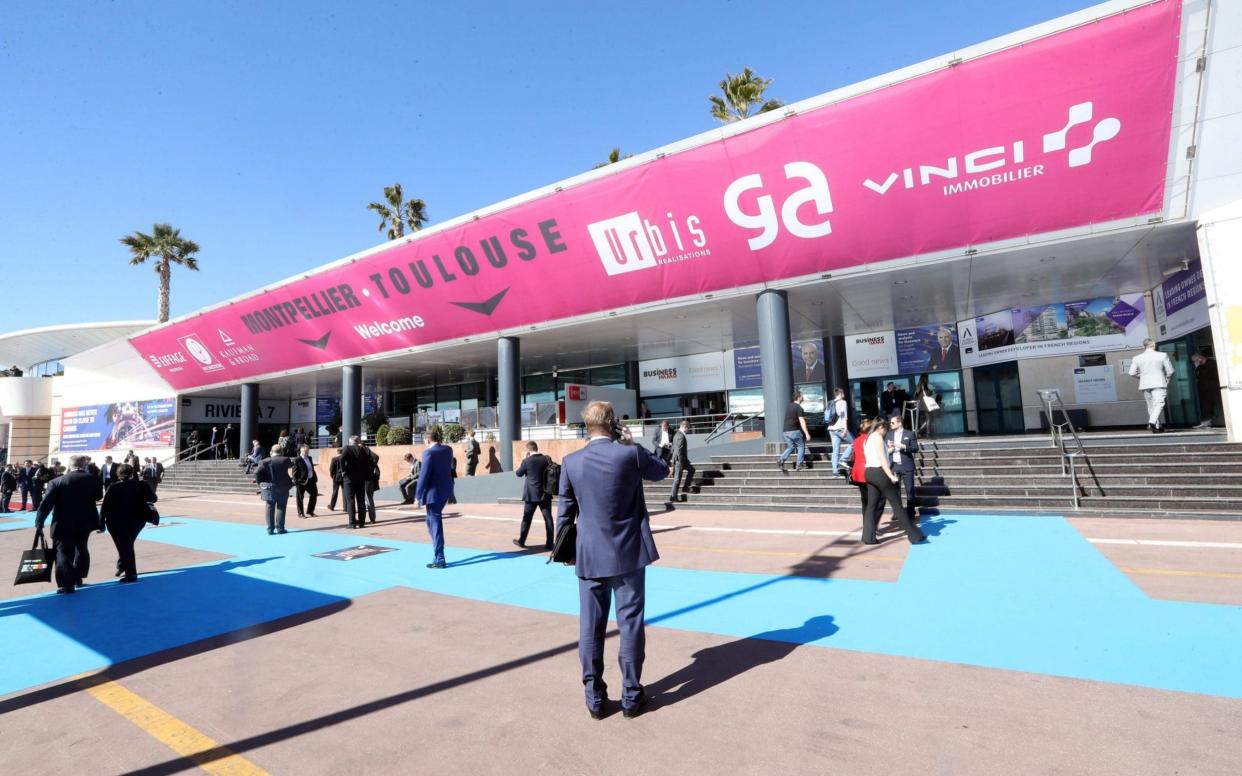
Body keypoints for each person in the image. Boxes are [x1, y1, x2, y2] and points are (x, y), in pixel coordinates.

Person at [556, 400, 669, 720]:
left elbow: (564, 516)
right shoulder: (629, 454)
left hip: (589, 555)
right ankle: (632, 696)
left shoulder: (571, 462)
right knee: (630, 623)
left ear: (587, 426)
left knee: (590, 626)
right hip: (629, 554)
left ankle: (594, 696)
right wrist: (633, 442)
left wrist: (567, 552)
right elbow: (662, 471)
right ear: (614, 423)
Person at [34, 455, 103, 594]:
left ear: (69, 465)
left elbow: (46, 504)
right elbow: (98, 497)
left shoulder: (57, 481)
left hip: (63, 522)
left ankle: (67, 584)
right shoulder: (94, 479)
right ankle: (78, 577)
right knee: (81, 548)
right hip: (86, 521)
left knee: (63, 553)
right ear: (85, 465)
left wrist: (39, 522)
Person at [863, 422, 925, 546]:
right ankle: (915, 536)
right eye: (885, 429)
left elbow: (877, 454)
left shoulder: (868, 438)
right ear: (881, 428)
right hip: (880, 472)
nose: (886, 432)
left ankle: (868, 537)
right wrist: (891, 475)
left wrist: (889, 449)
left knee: (871, 507)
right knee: (897, 506)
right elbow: (882, 458)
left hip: (869, 472)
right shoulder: (878, 437)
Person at [99, 463, 155, 583]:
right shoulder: (141, 484)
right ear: (132, 473)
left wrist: (101, 523)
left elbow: (105, 506)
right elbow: (153, 498)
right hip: (137, 521)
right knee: (126, 544)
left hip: (116, 522)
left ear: (118, 474)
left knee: (125, 546)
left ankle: (131, 574)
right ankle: (122, 566)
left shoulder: (113, 487)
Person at [414, 426, 455, 568]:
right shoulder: (448, 450)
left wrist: (417, 496)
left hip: (433, 493)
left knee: (435, 522)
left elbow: (423, 475)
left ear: (427, 439)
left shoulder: (428, 453)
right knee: (430, 521)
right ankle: (437, 551)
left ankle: (440, 557)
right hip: (445, 490)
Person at [1129, 339, 1175, 433]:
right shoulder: (1162, 355)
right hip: (1159, 383)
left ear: (1145, 346)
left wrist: (1141, 377)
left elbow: (1131, 373)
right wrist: (1168, 379)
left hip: (1145, 385)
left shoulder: (1137, 358)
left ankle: (1157, 427)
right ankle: (1152, 421)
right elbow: (1170, 371)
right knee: (1159, 403)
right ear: (1153, 345)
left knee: (1151, 406)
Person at [513, 441, 553, 549]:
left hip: (531, 495)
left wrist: (524, 460)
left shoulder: (527, 461)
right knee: (548, 518)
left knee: (527, 518)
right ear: (537, 448)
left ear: (528, 450)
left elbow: (518, 473)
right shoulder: (546, 459)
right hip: (545, 494)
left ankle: (522, 541)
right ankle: (550, 544)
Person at [885, 413, 919, 517]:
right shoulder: (889, 434)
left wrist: (903, 446)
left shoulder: (909, 434)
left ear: (899, 423)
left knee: (909, 490)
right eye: (890, 422)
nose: (891, 424)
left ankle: (910, 512)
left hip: (907, 466)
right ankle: (897, 513)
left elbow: (915, 449)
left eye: (893, 422)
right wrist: (889, 450)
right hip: (894, 466)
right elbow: (885, 449)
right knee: (896, 491)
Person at [255, 444, 293, 535]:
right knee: (281, 507)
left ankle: (270, 529)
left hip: (269, 488)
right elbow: (291, 465)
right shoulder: (285, 460)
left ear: (271, 452)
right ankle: (280, 528)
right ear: (281, 452)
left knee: (269, 508)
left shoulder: (264, 461)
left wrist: (260, 482)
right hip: (283, 487)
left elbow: (256, 473)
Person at [340, 436, 373, 529]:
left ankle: (352, 523)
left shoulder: (347, 448)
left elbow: (341, 459)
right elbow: (371, 460)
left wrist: (343, 470)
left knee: (350, 501)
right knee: (361, 501)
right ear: (358, 442)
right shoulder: (363, 449)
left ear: (350, 442)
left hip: (349, 479)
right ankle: (362, 522)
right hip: (361, 479)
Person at [850, 418, 878, 518]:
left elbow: (853, 456)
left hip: (858, 472)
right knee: (873, 501)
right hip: (869, 470)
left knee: (864, 500)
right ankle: (871, 524)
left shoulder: (856, 440)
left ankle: (866, 523)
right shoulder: (872, 439)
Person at [777, 391, 810, 472]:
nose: (803, 398)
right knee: (801, 445)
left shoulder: (789, 406)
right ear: (799, 397)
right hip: (794, 431)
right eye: (802, 396)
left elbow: (792, 417)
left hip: (785, 431)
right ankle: (799, 464)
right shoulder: (799, 408)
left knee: (791, 447)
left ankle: (781, 460)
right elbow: (802, 421)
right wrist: (807, 433)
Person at [827, 388, 853, 477]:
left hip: (831, 429)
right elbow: (843, 416)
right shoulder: (843, 402)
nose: (844, 394)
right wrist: (845, 428)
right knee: (855, 443)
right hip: (840, 428)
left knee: (835, 450)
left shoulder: (830, 402)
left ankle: (835, 471)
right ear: (841, 393)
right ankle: (844, 459)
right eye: (843, 393)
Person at [667, 419, 695, 503]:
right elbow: (678, 450)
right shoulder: (681, 436)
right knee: (677, 479)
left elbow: (673, 448)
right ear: (684, 427)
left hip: (681, 459)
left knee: (692, 469)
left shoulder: (676, 434)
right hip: (680, 460)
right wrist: (680, 462)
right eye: (688, 428)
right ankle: (673, 496)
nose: (688, 430)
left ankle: (686, 487)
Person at [1191, 351, 1217, 429]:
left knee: (1213, 404)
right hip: (1204, 390)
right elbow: (1197, 376)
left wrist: (1198, 367)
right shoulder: (1200, 367)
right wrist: (1196, 367)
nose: (1195, 363)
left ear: (1199, 358)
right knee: (1206, 406)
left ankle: (1209, 421)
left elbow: (1210, 376)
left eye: (1195, 361)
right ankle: (1207, 422)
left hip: (1213, 388)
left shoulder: (1211, 363)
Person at [293, 444, 318, 518]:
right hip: (301, 482)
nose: (307, 452)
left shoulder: (309, 458)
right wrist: (296, 481)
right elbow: (294, 472)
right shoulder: (297, 460)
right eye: (305, 451)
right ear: (301, 451)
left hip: (311, 480)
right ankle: (301, 513)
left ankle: (310, 511)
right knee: (300, 498)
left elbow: (311, 469)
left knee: (314, 494)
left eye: (308, 451)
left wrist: (314, 477)